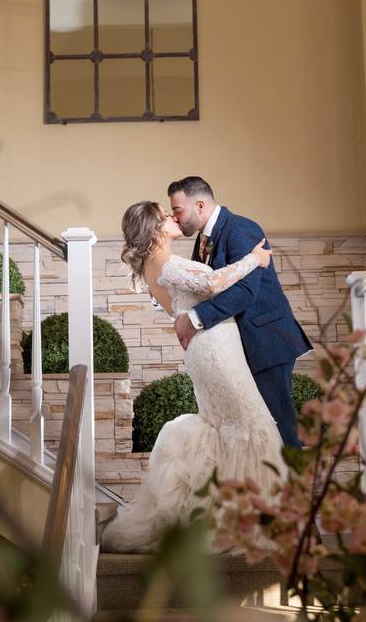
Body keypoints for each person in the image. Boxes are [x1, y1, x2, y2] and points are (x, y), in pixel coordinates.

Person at [101, 201, 286, 553]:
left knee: (227, 427)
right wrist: (255, 260)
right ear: (154, 228)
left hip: (208, 348)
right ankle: (249, 522)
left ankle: (227, 514)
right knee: (250, 424)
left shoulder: (154, 267)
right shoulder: (166, 264)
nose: (173, 217)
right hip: (215, 348)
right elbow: (215, 283)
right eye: (165, 214)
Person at [168, 176, 312, 448]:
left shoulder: (241, 229)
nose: (176, 218)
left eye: (178, 210)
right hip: (236, 347)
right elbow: (202, 287)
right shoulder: (202, 240)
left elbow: (245, 291)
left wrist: (195, 320)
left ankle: (295, 489)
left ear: (199, 205)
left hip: (265, 341)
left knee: (278, 422)